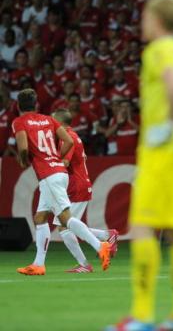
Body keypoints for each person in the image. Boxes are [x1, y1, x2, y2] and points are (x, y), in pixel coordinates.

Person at [106, 0, 173, 331]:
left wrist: (167, 127)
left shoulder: (158, 51)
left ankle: (141, 316)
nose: (142, 22)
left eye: (144, 16)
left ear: (156, 20)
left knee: (142, 228)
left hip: (162, 151)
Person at [12, 89, 112, 276]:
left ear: (18, 105)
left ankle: (100, 246)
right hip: (58, 172)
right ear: (36, 105)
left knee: (64, 220)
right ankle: (38, 264)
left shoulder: (19, 122)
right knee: (40, 218)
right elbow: (67, 141)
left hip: (49, 175)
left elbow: (23, 147)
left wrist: (24, 159)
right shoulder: (49, 120)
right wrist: (55, 158)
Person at [52, 108, 118, 273]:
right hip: (78, 185)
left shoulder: (66, 138)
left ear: (60, 123)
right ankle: (104, 237)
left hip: (75, 186)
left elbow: (65, 163)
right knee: (67, 225)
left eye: (53, 122)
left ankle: (93, 254)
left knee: (63, 225)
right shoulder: (74, 136)